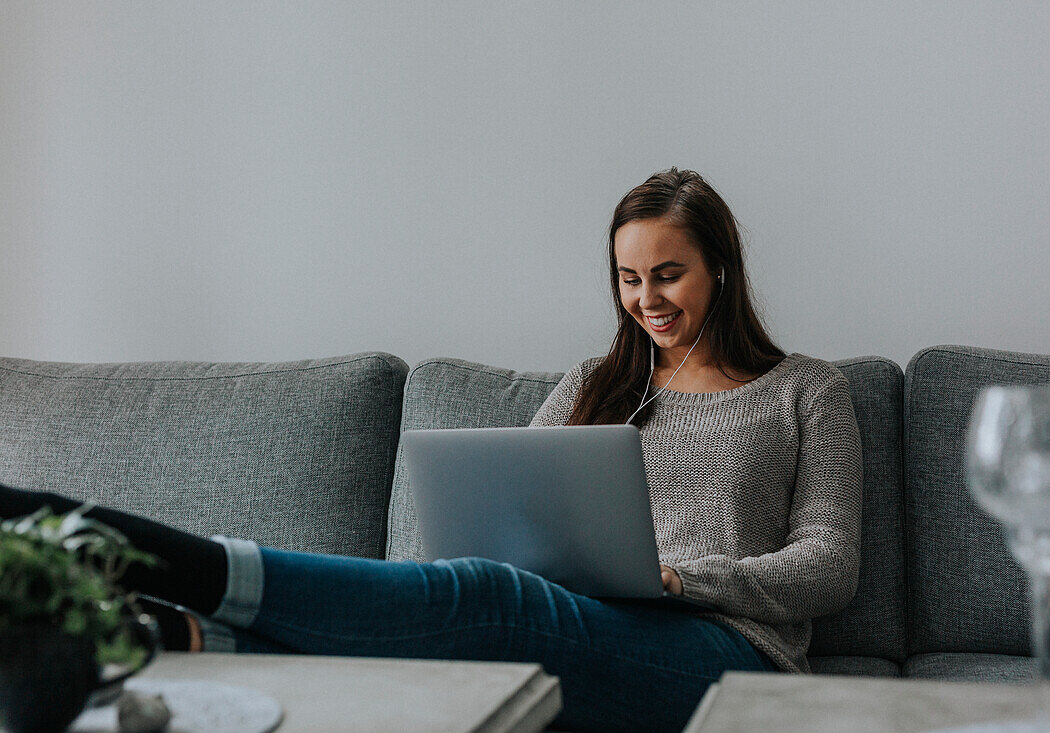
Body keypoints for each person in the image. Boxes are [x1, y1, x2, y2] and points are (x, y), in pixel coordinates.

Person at [0, 167, 862, 733]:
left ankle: (168, 563)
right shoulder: (595, 383)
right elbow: (507, 510)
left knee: (490, 601)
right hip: (585, 615)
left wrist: (681, 577)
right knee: (477, 599)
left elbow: (829, 564)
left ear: (720, 266)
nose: (645, 299)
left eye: (666, 273)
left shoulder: (805, 390)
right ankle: (169, 630)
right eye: (628, 280)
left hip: (723, 649)